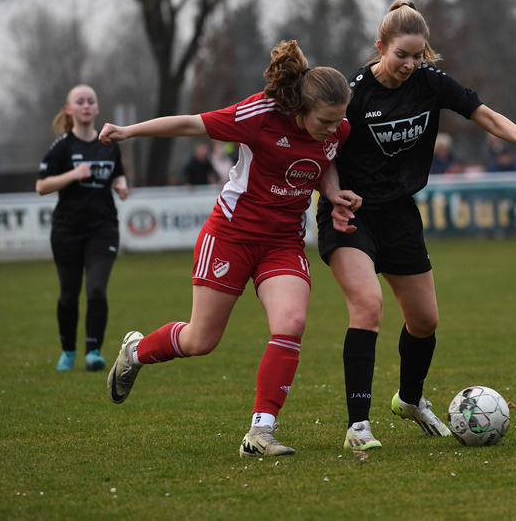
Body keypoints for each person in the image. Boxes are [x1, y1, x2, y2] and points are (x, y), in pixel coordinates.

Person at [100, 40, 361, 457]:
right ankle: (135, 352)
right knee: (201, 340)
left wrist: (333, 191)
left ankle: (260, 432)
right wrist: (128, 132)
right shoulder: (259, 115)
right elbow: (189, 124)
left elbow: (324, 157)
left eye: (339, 121)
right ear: (301, 109)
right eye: (326, 120)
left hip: (283, 242)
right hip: (231, 235)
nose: (335, 128)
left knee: (291, 322)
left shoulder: (336, 129)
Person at [316, 0, 516, 453]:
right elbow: (323, 148)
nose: (409, 64)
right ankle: (358, 426)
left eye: (418, 55)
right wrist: (331, 195)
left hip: (399, 212)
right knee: (367, 307)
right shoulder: (356, 93)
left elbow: (480, 112)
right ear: (380, 46)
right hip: (350, 213)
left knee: (425, 322)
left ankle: (408, 399)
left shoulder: (430, 82)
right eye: (401, 54)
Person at [36, 84, 130, 372]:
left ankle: (93, 352)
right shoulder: (62, 146)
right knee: (69, 294)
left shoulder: (109, 144)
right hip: (67, 230)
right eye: (80, 101)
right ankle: (68, 352)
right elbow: (41, 186)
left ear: (98, 108)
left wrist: (121, 183)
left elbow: (118, 173)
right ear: (70, 110)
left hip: (103, 228)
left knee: (97, 289)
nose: (87, 105)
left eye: (91, 101)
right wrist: (73, 174)